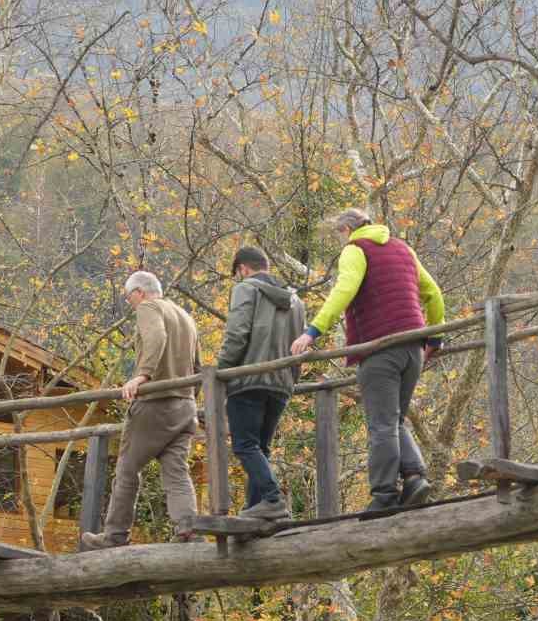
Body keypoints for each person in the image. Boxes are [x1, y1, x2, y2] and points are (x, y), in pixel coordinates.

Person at [290, 209, 446, 511]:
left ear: (347, 229)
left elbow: (344, 290)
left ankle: (384, 495)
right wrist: (435, 339)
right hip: (413, 346)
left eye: (339, 235)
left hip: (380, 348)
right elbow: (434, 293)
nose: (340, 241)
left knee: (381, 424)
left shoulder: (355, 249)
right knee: (394, 418)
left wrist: (312, 331)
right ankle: (414, 477)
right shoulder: (403, 249)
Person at [79, 271, 202, 551]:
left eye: (128, 297)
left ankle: (114, 536)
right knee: (176, 472)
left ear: (140, 292)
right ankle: (188, 529)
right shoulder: (185, 316)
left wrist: (142, 376)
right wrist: (189, 399)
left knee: (126, 470)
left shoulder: (149, 307)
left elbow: (156, 337)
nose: (130, 303)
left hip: (154, 404)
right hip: (184, 406)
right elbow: (197, 365)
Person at [216, 245, 306, 520]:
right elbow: (300, 344)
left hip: (249, 380)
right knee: (260, 448)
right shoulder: (296, 302)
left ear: (243, 268)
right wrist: (291, 379)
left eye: (238, 274)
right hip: (281, 382)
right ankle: (257, 510)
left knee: (244, 445)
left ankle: (272, 498)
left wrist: (222, 372)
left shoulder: (246, 289)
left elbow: (237, 334)